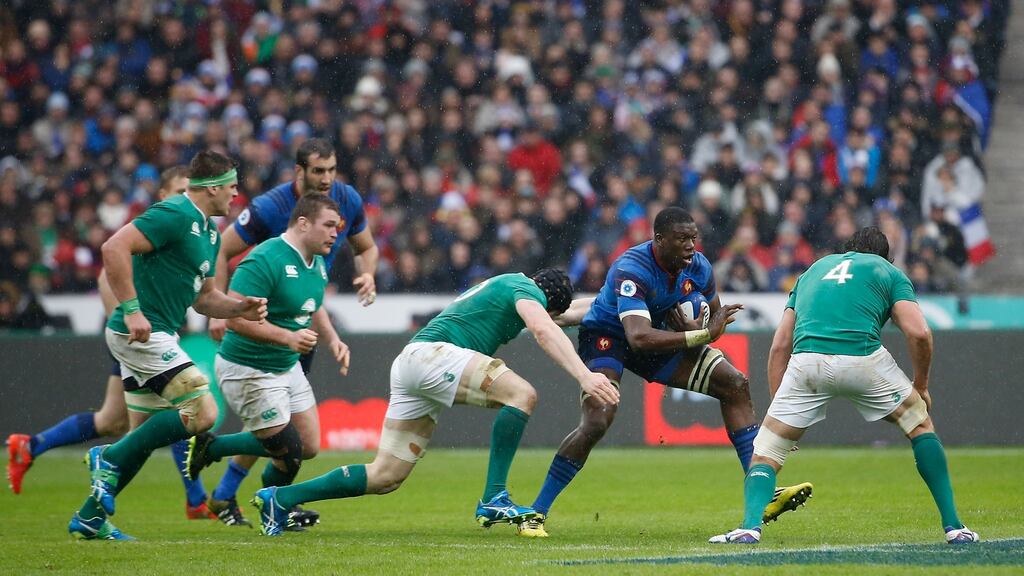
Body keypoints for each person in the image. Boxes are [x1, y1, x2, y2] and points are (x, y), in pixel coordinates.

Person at [248, 269, 620, 536]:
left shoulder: (511, 289)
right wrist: (584, 376)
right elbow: (544, 327)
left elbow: (567, 314)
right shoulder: (523, 288)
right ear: (544, 299)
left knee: (385, 476)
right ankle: (494, 497)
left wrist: (617, 299)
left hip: (414, 362)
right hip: (434, 356)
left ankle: (280, 498)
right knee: (522, 394)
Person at [519, 207, 811, 538]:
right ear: (659, 240)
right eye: (682, 239)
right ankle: (535, 513)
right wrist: (699, 334)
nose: (690, 246)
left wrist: (699, 327)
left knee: (734, 384)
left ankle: (763, 494)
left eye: (694, 238)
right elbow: (638, 337)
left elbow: (714, 323)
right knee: (599, 418)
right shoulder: (633, 270)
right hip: (608, 338)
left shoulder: (699, 267)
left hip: (658, 339)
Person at [709, 227, 978, 545]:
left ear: (847, 249)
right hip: (862, 357)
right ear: (885, 257)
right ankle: (954, 527)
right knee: (919, 426)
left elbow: (780, 345)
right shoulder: (887, 271)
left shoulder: (812, 271)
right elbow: (919, 333)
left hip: (807, 362)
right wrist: (921, 385)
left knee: (766, 451)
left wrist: (780, 405)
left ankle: (749, 528)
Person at [67, 150, 268, 540]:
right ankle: (106, 458)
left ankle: (90, 516)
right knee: (203, 411)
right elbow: (112, 248)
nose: (236, 194)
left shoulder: (209, 232)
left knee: (140, 436)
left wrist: (238, 308)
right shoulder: (175, 212)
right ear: (211, 189)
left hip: (158, 333)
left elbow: (204, 298)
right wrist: (131, 309)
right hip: (140, 333)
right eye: (231, 186)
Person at [6, 167, 221, 519]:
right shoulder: (156, 225)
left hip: (152, 334)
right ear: (163, 194)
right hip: (137, 338)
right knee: (170, 414)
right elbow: (109, 272)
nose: (186, 196)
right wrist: (127, 320)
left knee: (126, 424)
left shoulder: (189, 233)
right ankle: (193, 497)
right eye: (179, 190)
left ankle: (41, 456)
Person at [202, 138, 378, 528]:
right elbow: (222, 248)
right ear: (299, 172)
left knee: (286, 433)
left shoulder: (343, 202)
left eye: (332, 170)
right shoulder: (270, 209)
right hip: (262, 325)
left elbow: (366, 248)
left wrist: (367, 273)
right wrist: (217, 305)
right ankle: (268, 500)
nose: (327, 179)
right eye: (318, 171)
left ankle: (227, 493)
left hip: (298, 324)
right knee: (282, 434)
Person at [184, 195, 351, 531]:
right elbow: (235, 318)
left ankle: (215, 446)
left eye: (338, 227)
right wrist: (288, 338)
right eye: (329, 225)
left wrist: (332, 338)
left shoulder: (316, 260)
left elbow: (312, 303)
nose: (335, 234)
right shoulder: (265, 259)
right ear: (303, 223)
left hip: (285, 364)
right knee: (287, 449)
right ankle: (274, 505)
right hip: (248, 367)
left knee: (308, 447)